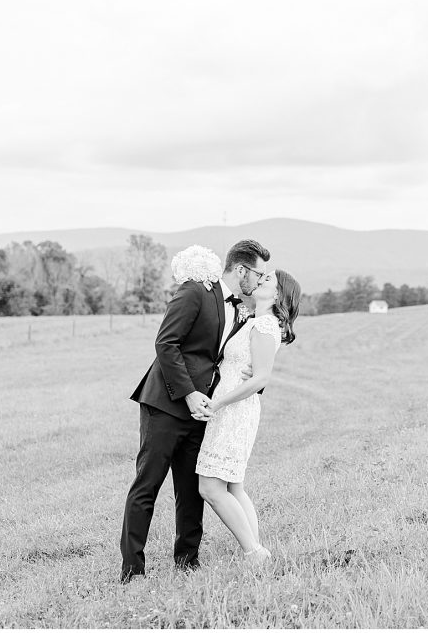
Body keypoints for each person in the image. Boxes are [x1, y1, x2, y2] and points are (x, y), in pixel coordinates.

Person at [119, 240, 270, 583]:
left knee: (190, 491)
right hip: (166, 404)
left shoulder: (237, 307)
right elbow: (165, 343)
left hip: (203, 410)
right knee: (148, 485)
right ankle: (132, 571)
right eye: (258, 274)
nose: (260, 282)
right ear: (241, 270)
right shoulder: (196, 291)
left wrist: (249, 375)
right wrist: (187, 393)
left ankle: (187, 562)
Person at [195, 268, 301, 565]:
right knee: (233, 485)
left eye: (267, 280)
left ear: (278, 294)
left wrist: (218, 405)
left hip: (234, 410)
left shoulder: (266, 325)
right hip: (229, 407)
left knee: (211, 487)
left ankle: (254, 552)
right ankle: (256, 549)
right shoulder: (254, 321)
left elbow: (260, 379)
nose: (259, 280)